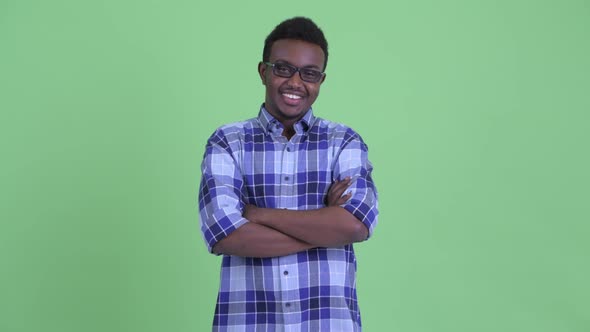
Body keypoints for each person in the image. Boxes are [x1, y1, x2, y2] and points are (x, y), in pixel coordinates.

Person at [198, 16, 378, 331]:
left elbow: (355, 224)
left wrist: (258, 214)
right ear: (263, 71)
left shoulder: (344, 142)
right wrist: (324, 228)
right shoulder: (228, 142)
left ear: (320, 80)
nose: (296, 82)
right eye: (283, 68)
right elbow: (226, 234)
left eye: (309, 73)